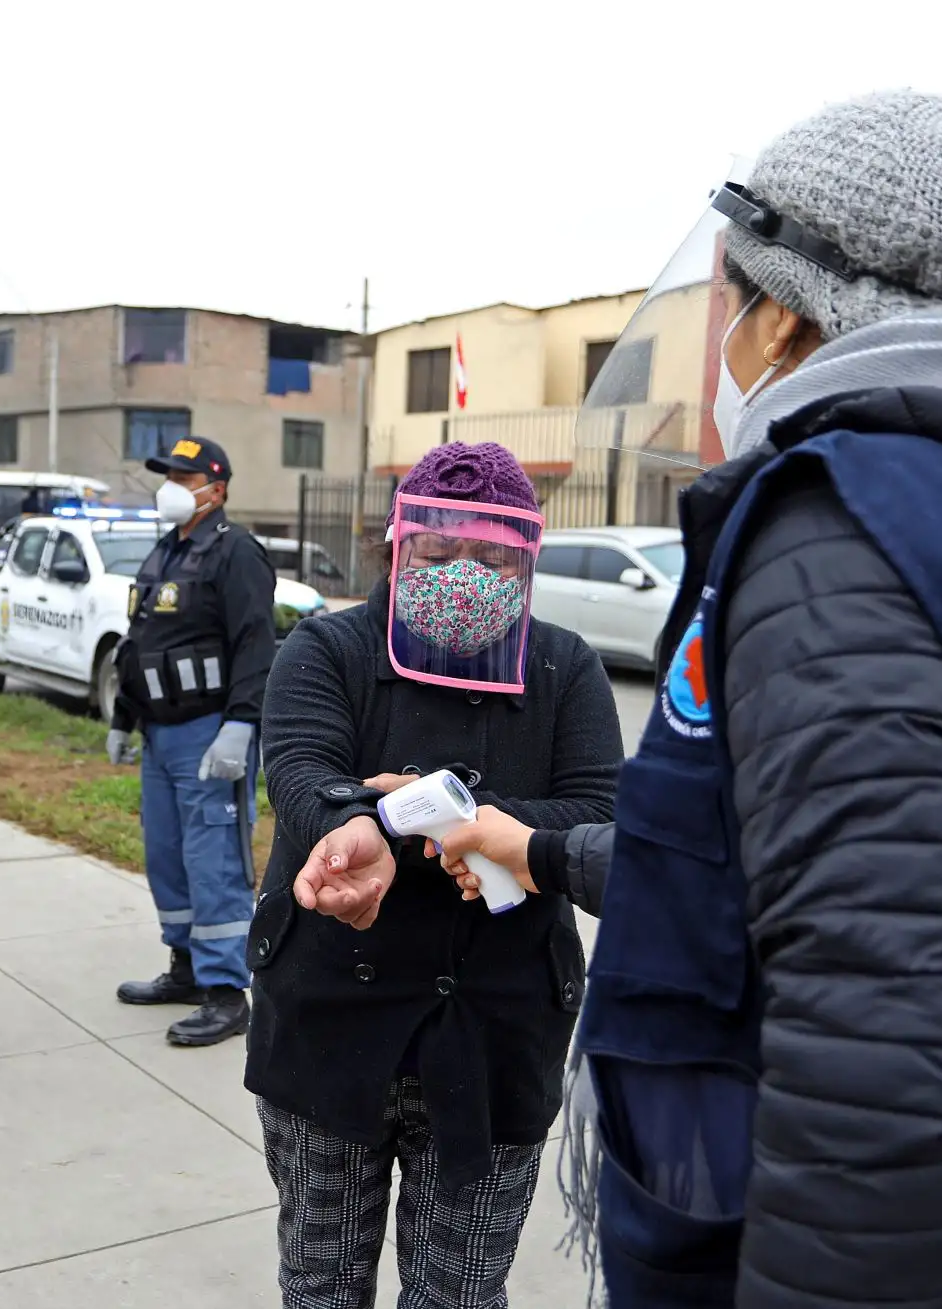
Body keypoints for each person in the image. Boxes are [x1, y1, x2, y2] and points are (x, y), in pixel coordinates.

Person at [329, 92, 942, 1309]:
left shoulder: (849, 524)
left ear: (798, 321)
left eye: (739, 303)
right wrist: (532, 847)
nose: (730, 341)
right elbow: (749, 858)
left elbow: (885, 1027)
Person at [254, 442, 621, 1306]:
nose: (465, 570)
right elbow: (303, 768)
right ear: (399, 547)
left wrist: (456, 812)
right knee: (320, 1280)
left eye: (492, 554)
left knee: (460, 1291)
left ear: (525, 559)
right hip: (330, 1017)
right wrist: (359, 823)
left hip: (500, 1029)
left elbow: (600, 810)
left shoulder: (566, 666)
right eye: (439, 548)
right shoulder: (327, 647)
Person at [106, 435, 276, 1048]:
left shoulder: (236, 554)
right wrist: (123, 718)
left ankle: (227, 994)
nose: (171, 486)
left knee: (215, 863)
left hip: (210, 732)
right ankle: (184, 968)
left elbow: (257, 643)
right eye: (168, 476)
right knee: (169, 857)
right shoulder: (165, 553)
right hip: (158, 734)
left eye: (184, 477)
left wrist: (242, 723)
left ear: (216, 488)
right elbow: (139, 644)